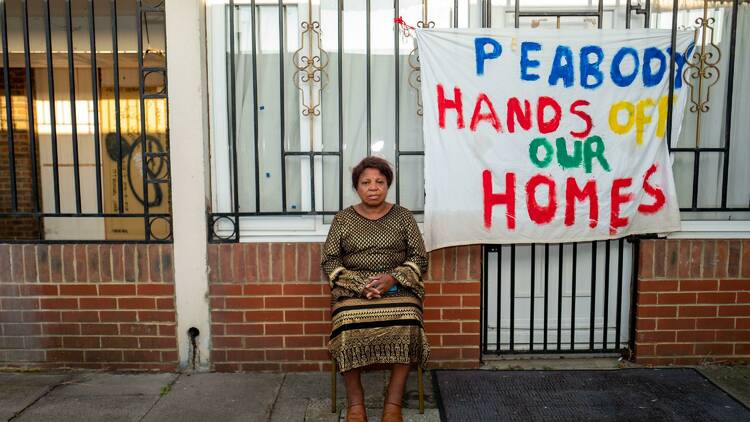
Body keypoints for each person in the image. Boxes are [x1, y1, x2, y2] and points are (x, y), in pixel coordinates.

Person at [321, 156, 430, 422]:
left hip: (399, 288)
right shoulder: (343, 219)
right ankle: (356, 404)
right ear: (356, 187)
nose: (373, 187)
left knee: (409, 319)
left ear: (388, 185)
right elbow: (330, 260)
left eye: (379, 182)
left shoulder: (403, 216)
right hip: (354, 290)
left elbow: (419, 257)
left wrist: (392, 278)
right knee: (345, 322)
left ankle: (392, 403)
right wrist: (360, 286)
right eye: (366, 182)